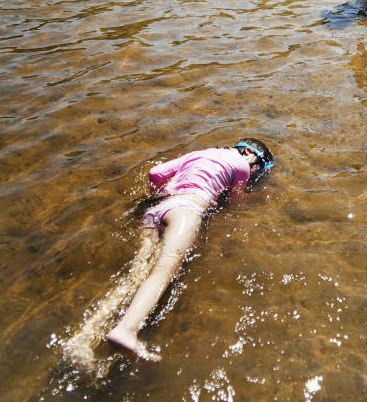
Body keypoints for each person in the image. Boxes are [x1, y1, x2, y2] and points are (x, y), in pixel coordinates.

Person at [105, 138, 276, 361]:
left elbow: (155, 173)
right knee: (163, 271)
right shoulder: (242, 165)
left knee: (140, 269)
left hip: (157, 208)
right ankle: (126, 331)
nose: (252, 174)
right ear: (250, 156)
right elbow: (236, 205)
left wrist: (157, 194)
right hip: (186, 211)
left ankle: (110, 317)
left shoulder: (199, 153)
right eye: (256, 170)